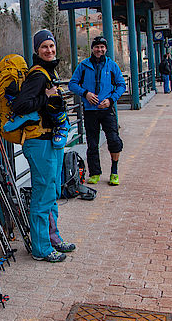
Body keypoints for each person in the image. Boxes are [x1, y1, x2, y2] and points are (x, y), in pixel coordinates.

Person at [11, 29, 76, 262]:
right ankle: (41, 248)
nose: (49, 50)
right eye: (44, 47)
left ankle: (53, 238)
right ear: (37, 50)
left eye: (51, 46)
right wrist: (46, 97)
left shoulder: (49, 71)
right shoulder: (38, 75)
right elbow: (20, 105)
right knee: (42, 195)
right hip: (39, 142)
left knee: (52, 191)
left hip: (50, 140)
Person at [68, 36, 126, 186]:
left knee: (113, 140)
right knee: (92, 143)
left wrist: (111, 100)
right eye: (97, 47)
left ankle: (114, 171)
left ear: (106, 49)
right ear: (92, 48)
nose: (99, 50)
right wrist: (85, 93)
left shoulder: (112, 65)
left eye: (102, 47)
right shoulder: (84, 65)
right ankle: (94, 173)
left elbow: (121, 85)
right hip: (90, 110)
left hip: (107, 110)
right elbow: (72, 84)